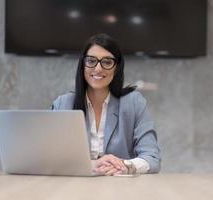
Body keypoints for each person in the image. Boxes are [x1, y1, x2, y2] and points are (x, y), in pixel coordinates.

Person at [52, 33, 161, 176]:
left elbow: (152, 158)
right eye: (91, 61)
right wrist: (93, 164)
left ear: (116, 68)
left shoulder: (134, 103)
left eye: (107, 62)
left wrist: (125, 165)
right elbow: (50, 157)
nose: (98, 69)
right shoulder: (63, 104)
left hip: (120, 187)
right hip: (74, 186)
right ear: (83, 65)